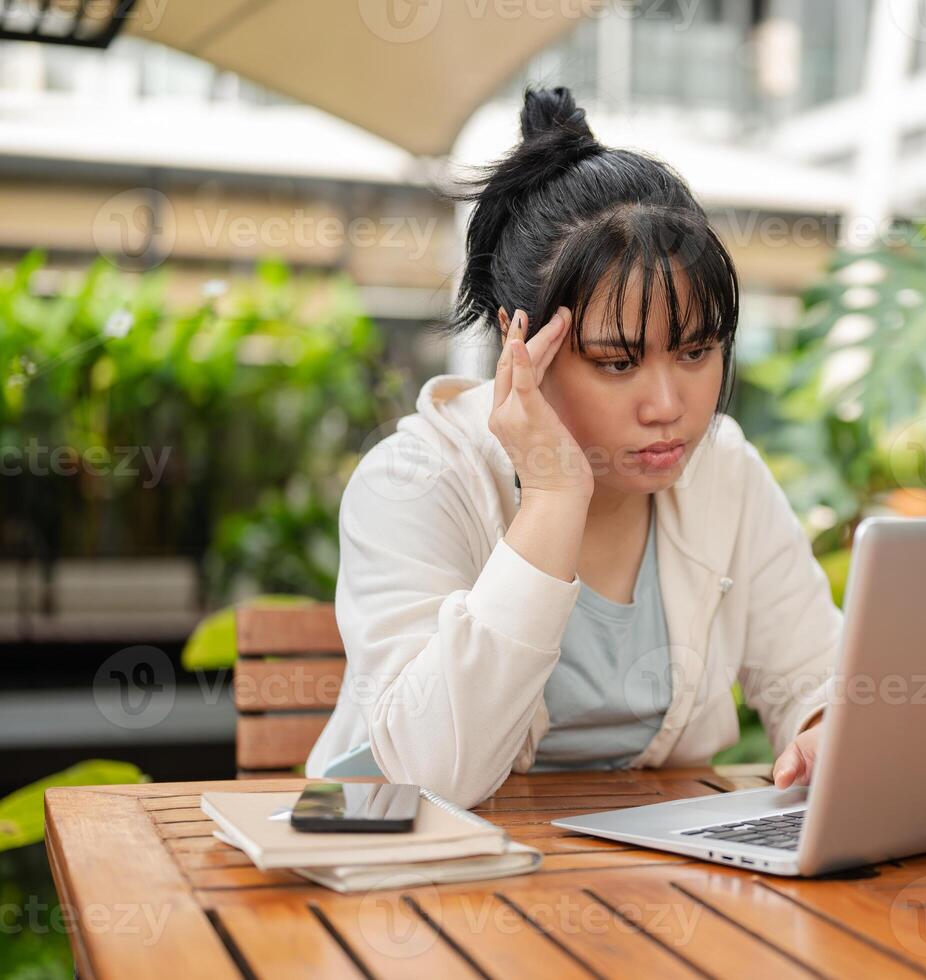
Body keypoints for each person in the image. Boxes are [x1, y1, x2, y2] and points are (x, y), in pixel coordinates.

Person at [304, 86, 842, 808]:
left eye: (695, 352)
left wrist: (821, 728)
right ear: (521, 344)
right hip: (407, 874)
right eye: (616, 363)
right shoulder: (414, 480)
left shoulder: (724, 473)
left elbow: (816, 675)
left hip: (645, 879)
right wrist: (555, 494)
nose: (667, 406)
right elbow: (431, 776)